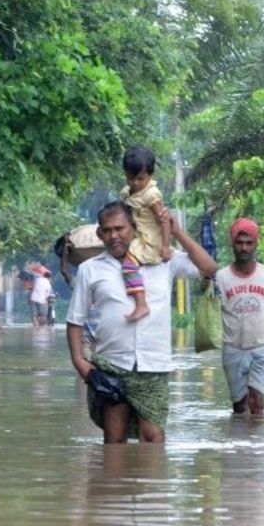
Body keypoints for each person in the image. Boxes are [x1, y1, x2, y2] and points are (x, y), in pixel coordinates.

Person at [66, 201, 217, 444]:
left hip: (154, 366)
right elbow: (75, 320)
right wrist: (80, 363)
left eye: (120, 228)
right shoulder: (90, 269)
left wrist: (176, 232)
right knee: (114, 440)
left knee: (153, 438)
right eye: (107, 230)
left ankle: (149, 481)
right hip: (111, 365)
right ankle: (116, 483)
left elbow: (209, 268)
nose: (114, 235)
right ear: (99, 234)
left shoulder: (163, 258)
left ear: (134, 228)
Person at [212, 217, 264, 417]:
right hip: (233, 350)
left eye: (249, 243)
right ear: (233, 244)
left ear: (256, 244)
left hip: (262, 349)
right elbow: (211, 315)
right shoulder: (221, 277)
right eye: (239, 243)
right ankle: (241, 447)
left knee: (257, 404)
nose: (244, 248)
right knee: (240, 408)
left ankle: (259, 447)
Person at [119, 146, 172, 322]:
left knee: (127, 266)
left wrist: (165, 246)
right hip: (136, 235)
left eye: (140, 179)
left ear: (150, 175)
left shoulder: (151, 195)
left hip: (149, 241)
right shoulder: (127, 193)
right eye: (130, 178)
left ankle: (141, 304)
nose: (135, 183)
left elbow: (164, 220)